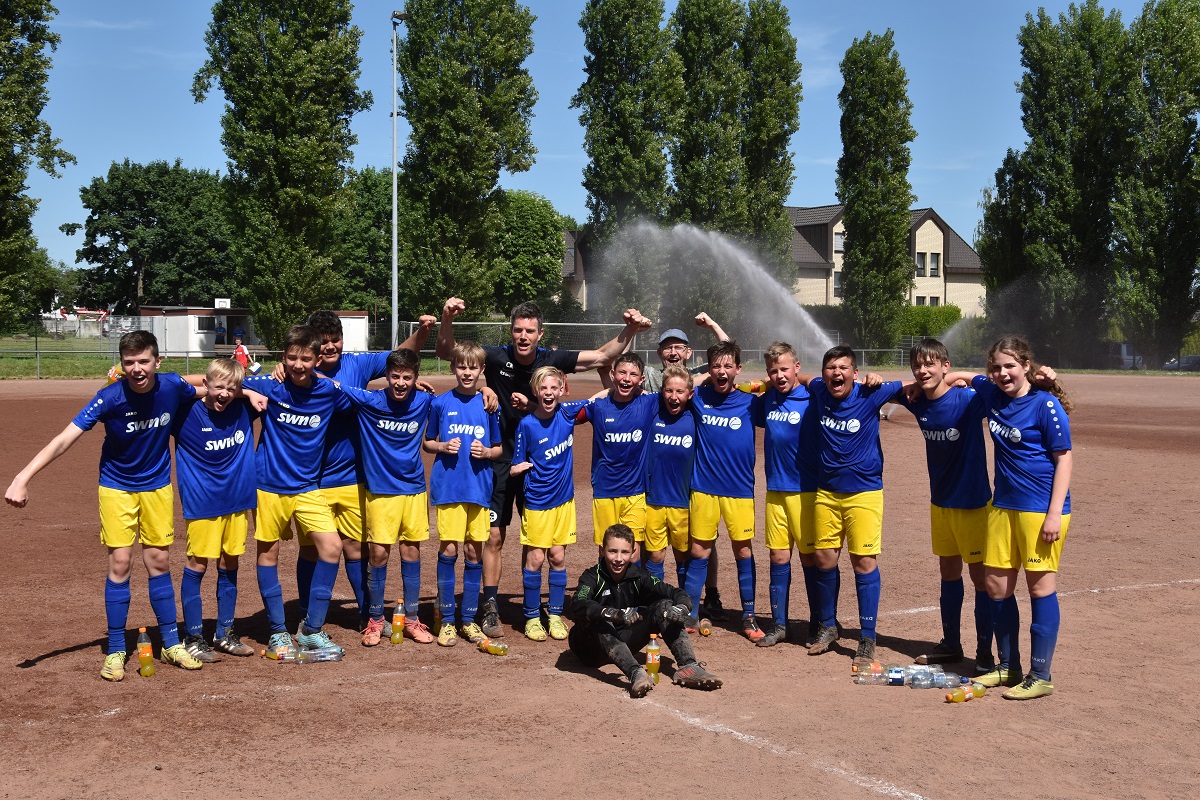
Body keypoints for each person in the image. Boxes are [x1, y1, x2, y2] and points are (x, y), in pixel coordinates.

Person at [435, 297, 651, 638]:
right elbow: (448, 352)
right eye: (518, 330)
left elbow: (603, 357)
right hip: (499, 460)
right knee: (494, 535)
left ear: (540, 333)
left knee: (535, 542)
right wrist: (447, 319)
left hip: (541, 468)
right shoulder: (495, 357)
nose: (523, 336)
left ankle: (531, 612)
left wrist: (630, 329)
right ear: (511, 331)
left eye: (530, 331)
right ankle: (490, 606)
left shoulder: (552, 361)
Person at [5, 331, 205, 679]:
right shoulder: (109, 397)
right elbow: (64, 438)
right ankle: (115, 649)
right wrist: (23, 478)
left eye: (144, 361)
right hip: (116, 488)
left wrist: (248, 387)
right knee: (121, 562)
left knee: (158, 560)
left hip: (157, 487)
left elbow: (210, 383)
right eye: (130, 363)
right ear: (121, 365)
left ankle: (171, 644)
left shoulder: (172, 386)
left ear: (157, 362)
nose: (137, 369)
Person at [282, 311, 436, 639]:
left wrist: (423, 331)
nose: (329, 347)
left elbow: (401, 355)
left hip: (353, 475)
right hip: (311, 479)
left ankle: (369, 615)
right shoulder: (298, 372)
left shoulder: (358, 365)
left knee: (356, 547)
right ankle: (306, 613)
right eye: (321, 343)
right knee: (311, 549)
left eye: (334, 340)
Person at [945, 336, 1073, 700]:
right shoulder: (992, 394)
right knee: (997, 586)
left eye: (1010, 366)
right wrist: (958, 378)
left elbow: (1064, 459)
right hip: (1002, 508)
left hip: (1041, 511)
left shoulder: (1045, 405)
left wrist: (1052, 515)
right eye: (997, 367)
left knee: (1039, 588)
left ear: (1026, 367)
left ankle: (1041, 674)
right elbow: (971, 378)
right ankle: (1008, 666)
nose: (1002, 373)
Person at [241, 325, 351, 657]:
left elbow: (375, 400)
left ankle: (311, 631)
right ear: (283, 357)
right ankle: (277, 632)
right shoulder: (269, 384)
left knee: (331, 547)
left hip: (307, 487)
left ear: (318, 358)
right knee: (268, 554)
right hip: (268, 486)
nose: (298, 365)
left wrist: (417, 391)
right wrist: (247, 392)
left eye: (305, 358)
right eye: (292, 357)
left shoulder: (330, 391)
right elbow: (218, 382)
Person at [891, 339, 995, 671]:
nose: (923, 370)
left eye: (930, 364)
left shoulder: (967, 400)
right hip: (941, 504)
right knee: (948, 573)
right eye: (917, 365)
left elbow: (995, 388)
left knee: (981, 579)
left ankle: (984, 653)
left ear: (945, 366)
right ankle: (951, 644)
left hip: (973, 504)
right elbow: (876, 387)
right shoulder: (916, 401)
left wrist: (963, 377)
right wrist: (907, 386)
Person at [804, 345, 904, 669]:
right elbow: (804, 379)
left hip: (864, 493)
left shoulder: (870, 394)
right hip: (827, 494)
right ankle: (828, 626)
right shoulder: (819, 389)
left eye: (844, 368)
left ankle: (868, 637)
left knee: (863, 562)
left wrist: (881, 379)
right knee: (824, 559)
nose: (837, 373)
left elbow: (908, 388)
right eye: (831, 368)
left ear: (855, 373)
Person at [333, 349, 438, 646]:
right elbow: (333, 385)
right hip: (380, 492)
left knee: (411, 551)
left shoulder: (425, 400)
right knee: (379, 554)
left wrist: (485, 388)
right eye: (395, 376)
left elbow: (458, 398)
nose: (401, 383)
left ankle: (413, 619)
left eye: (407, 377)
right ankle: (376, 619)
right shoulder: (371, 400)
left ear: (416, 377)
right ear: (387, 376)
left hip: (414, 490)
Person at [569, 524, 721, 698]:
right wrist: (613, 614)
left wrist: (681, 607)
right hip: (590, 649)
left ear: (633, 552)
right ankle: (635, 673)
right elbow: (578, 604)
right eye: (613, 551)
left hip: (622, 643)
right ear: (602, 551)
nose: (618, 558)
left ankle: (688, 666)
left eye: (624, 552)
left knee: (664, 605)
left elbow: (675, 592)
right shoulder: (591, 576)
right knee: (600, 619)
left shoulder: (638, 576)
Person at [173, 357, 260, 661]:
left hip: (237, 501)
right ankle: (194, 636)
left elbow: (269, 384)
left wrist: (246, 392)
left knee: (230, 563)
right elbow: (171, 384)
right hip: (202, 504)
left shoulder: (243, 407)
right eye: (218, 386)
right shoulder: (184, 412)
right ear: (205, 385)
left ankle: (225, 632)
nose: (224, 393)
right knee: (198, 565)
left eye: (231, 388)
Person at [680, 340, 764, 642]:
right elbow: (678, 386)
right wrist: (701, 376)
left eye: (728, 366)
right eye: (716, 365)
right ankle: (690, 614)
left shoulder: (750, 401)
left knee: (743, 550)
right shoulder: (698, 396)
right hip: (703, 488)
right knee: (699, 550)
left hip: (739, 490)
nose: (722, 371)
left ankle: (749, 616)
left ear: (738, 370)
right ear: (708, 369)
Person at [423, 341, 502, 646]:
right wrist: (442, 447)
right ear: (453, 367)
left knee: (473, 551)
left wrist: (488, 452)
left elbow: (498, 448)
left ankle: (468, 620)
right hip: (450, 489)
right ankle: (445, 619)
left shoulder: (488, 405)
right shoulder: (440, 404)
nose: (467, 373)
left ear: (482, 370)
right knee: (449, 550)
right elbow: (428, 442)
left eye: (473, 368)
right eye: (461, 367)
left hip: (479, 490)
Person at [750, 342, 821, 648]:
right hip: (775, 491)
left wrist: (805, 378)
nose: (779, 375)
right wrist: (763, 385)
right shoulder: (768, 401)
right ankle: (780, 625)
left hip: (805, 492)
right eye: (772, 371)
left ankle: (820, 623)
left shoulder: (812, 398)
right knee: (778, 558)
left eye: (784, 368)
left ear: (797, 366)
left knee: (810, 559)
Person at [509, 366, 586, 642]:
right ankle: (531, 616)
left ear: (562, 390)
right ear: (536, 392)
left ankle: (554, 615)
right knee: (536, 558)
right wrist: (518, 469)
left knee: (558, 557)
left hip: (564, 501)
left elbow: (599, 401)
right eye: (544, 388)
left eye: (554, 388)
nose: (549, 393)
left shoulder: (567, 414)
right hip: (538, 502)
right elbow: (515, 461)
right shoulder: (527, 425)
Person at [577, 352, 657, 566]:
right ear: (613, 374)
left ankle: (632, 598)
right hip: (605, 491)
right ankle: (607, 595)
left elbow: (683, 388)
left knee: (634, 550)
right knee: (606, 550)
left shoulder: (650, 403)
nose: (626, 378)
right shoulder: (598, 407)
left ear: (641, 380)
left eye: (633, 375)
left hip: (635, 492)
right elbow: (562, 415)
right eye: (622, 372)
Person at [645, 365, 698, 599]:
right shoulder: (653, 414)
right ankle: (656, 602)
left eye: (679, 392)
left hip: (683, 502)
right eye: (668, 391)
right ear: (661, 392)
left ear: (689, 394)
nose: (673, 397)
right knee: (655, 556)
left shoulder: (696, 418)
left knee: (682, 555)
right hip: (654, 500)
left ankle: (684, 602)